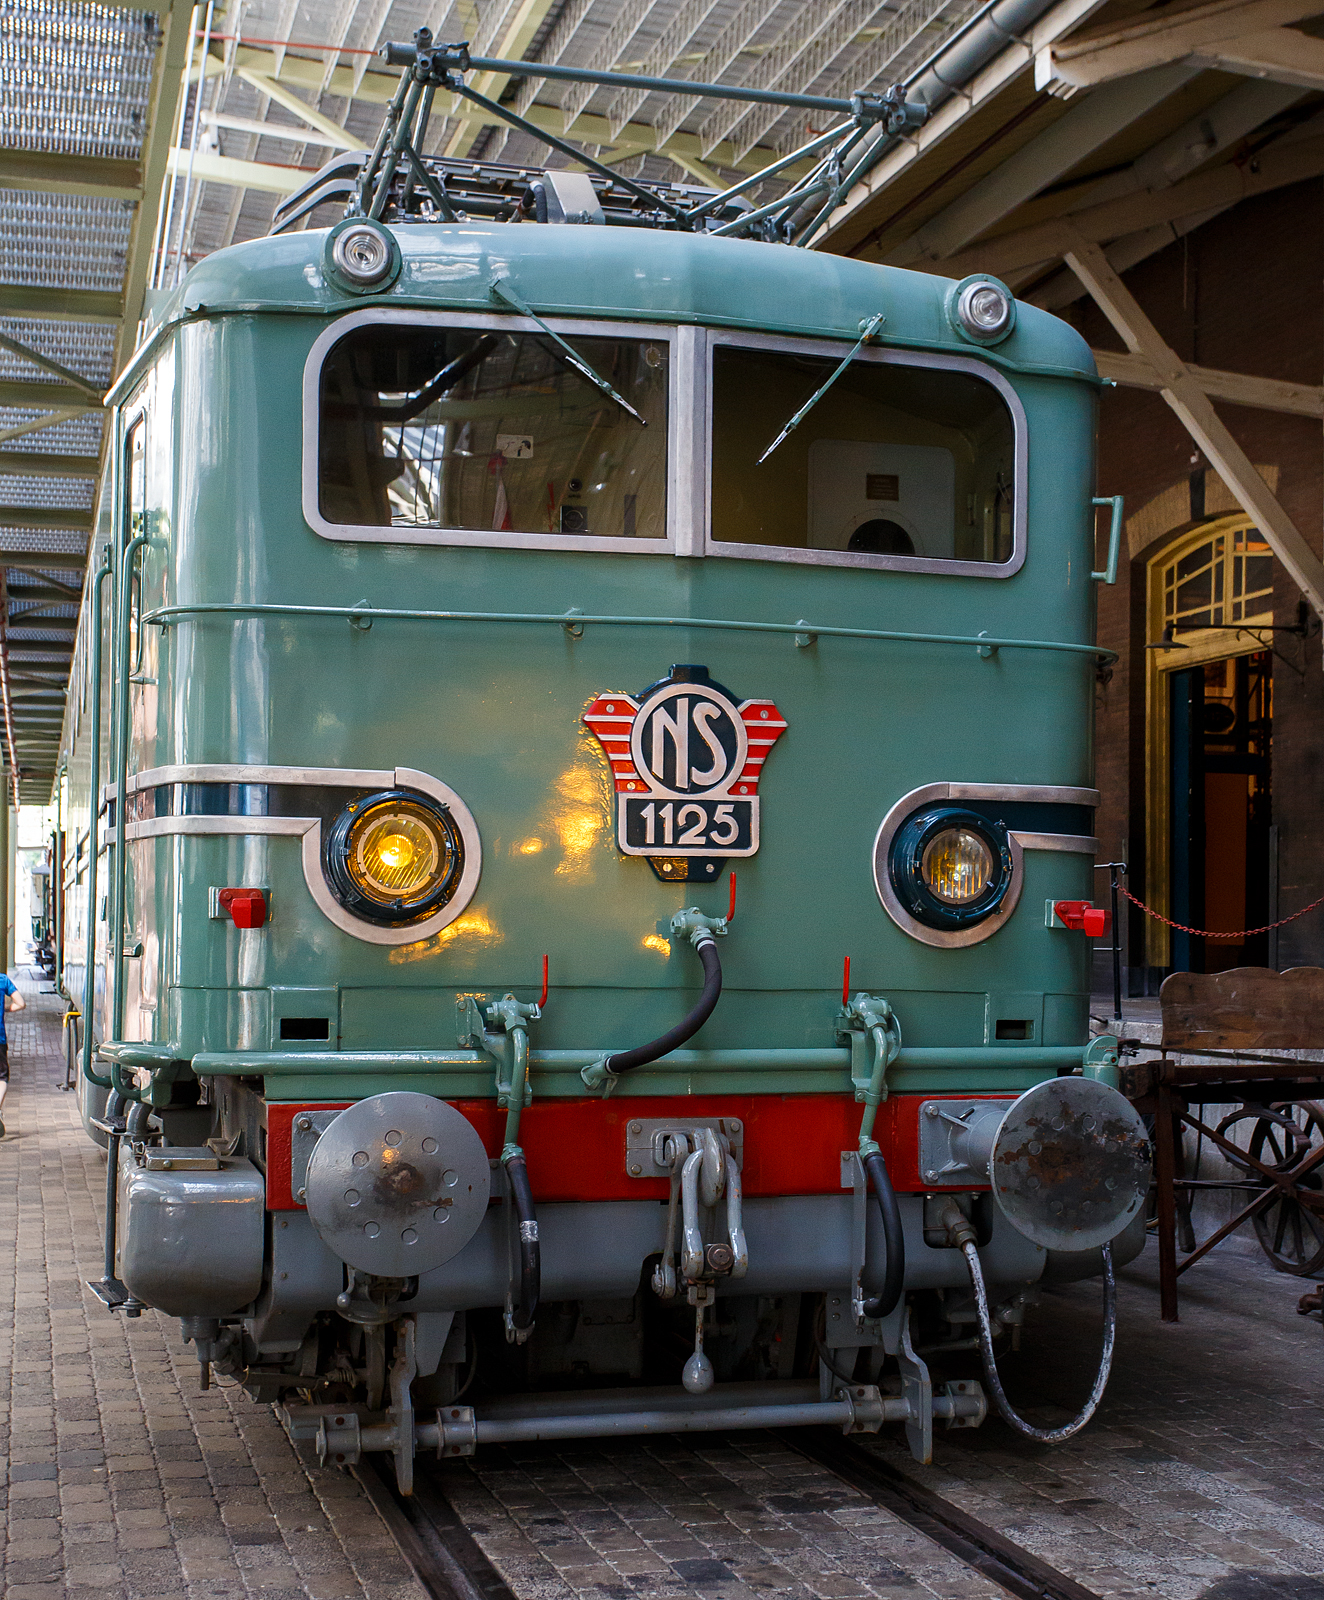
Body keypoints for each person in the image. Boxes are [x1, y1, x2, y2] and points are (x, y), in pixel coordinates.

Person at [0, 973, 26, 1137]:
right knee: (2, 1077)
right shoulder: (3, 980)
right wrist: (6, 1009)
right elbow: (21, 1004)